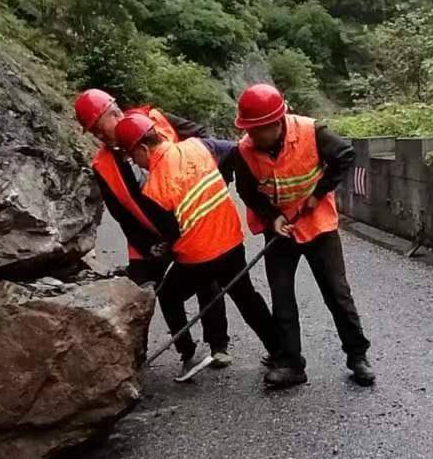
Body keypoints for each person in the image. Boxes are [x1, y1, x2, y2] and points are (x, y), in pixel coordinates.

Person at [230, 83, 374, 389]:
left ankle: (358, 356)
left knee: (337, 293)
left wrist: (316, 196)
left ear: (276, 123)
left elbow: (345, 155)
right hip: (281, 230)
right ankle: (291, 364)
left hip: (318, 225)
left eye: (257, 129)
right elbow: (245, 190)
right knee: (282, 297)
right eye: (248, 129)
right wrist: (273, 217)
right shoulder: (244, 150)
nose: (251, 136)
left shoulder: (312, 132)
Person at [116, 112, 280, 378]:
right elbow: (235, 150)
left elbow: (171, 233)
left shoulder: (154, 189)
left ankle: (187, 353)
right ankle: (280, 352)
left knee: (168, 295)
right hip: (232, 243)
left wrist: (160, 250)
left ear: (144, 148)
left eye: (133, 156)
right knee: (246, 297)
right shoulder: (197, 146)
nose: (135, 162)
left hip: (198, 258)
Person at [74, 90, 223, 382]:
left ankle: (219, 345)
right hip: (147, 237)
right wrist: (150, 245)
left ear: (113, 113)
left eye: (96, 126)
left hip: (188, 219)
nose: (96, 135)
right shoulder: (102, 164)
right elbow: (120, 214)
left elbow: (202, 138)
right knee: (150, 292)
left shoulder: (157, 119)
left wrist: (210, 177)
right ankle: (182, 352)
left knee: (208, 280)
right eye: (91, 131)